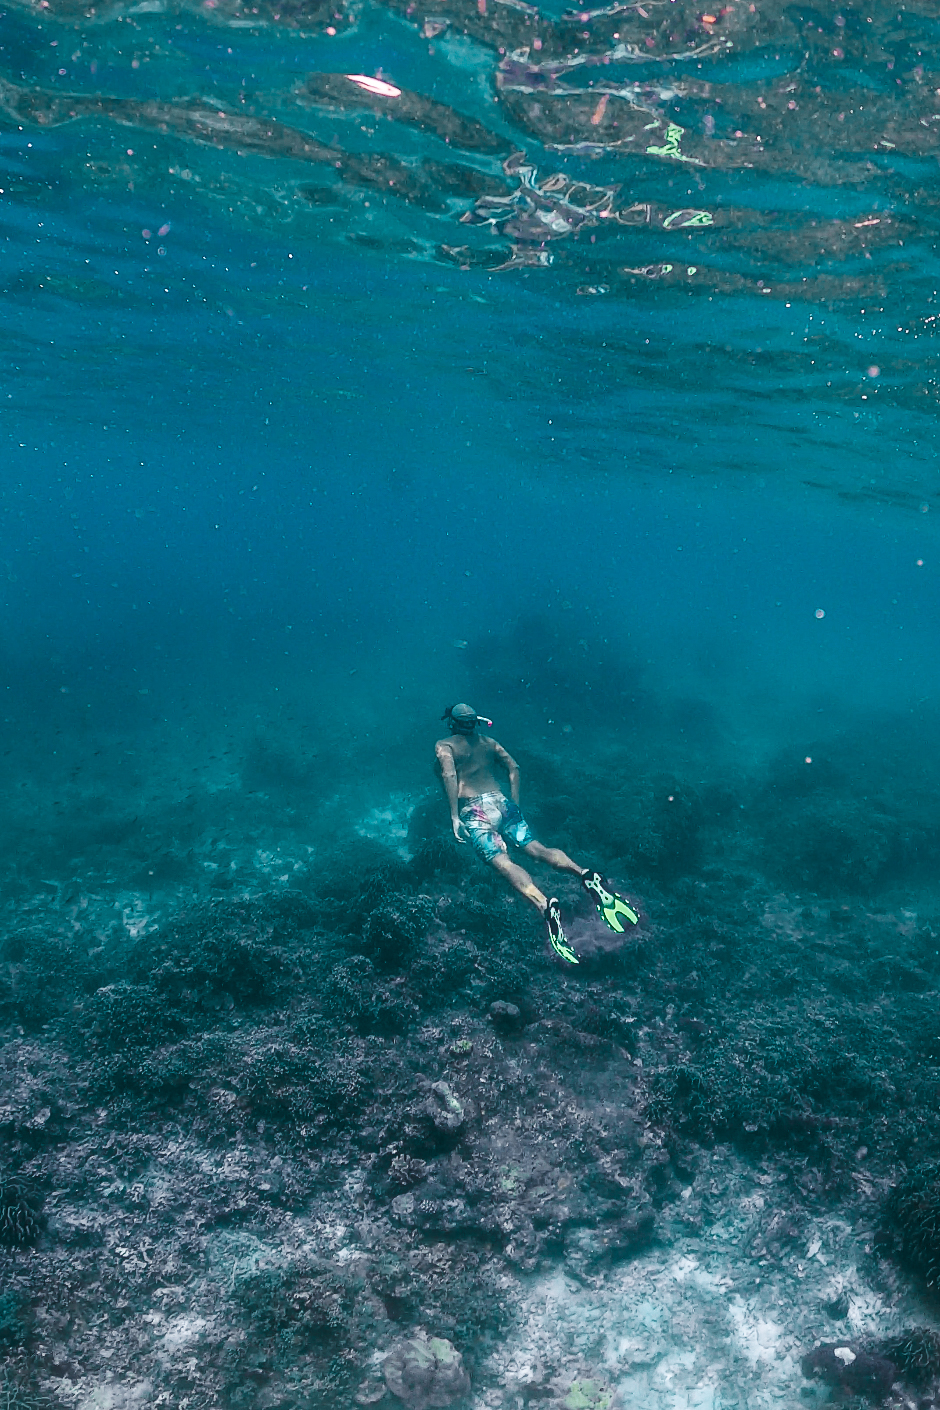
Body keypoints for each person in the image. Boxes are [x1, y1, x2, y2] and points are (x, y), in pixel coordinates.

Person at [434, 703, 638, 965]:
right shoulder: (489, 742)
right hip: (501, 801)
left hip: (474, 810)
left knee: (504, 863)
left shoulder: (445, 746)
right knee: (537, 849)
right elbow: (514, 768)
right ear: (476, 722)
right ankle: (584, 874)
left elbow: (449, 774)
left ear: (452, 723)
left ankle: (544, 904)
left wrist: (453, 815)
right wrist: (515, 802)